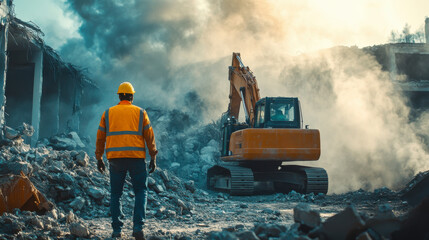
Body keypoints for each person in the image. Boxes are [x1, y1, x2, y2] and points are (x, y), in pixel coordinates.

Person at [95, 82, 158, 240]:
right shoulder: (140, 112)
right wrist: (153, 156)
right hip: (136, 159)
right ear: (131, 96)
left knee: (116, 194)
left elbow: (100, 137)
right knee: (141, 192)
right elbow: (149, 137)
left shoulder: (108, 113)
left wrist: (99, 158)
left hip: (115, 160)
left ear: (119, 96)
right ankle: (138, 227)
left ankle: (117, 230)